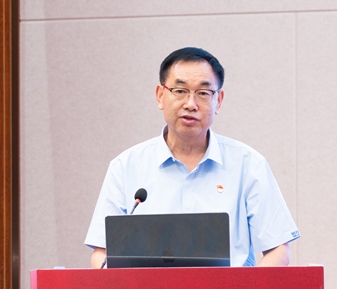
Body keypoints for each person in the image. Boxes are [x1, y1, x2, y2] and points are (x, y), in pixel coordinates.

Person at [85, 47, 300, 268]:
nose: (190, 104)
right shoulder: (126, 167)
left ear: (219, 101)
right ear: (160, 96)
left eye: (203, 93)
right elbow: (102, 252)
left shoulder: (248, 165)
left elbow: (279, 249)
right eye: (180, 91)